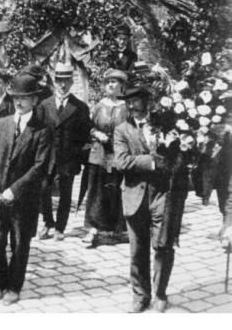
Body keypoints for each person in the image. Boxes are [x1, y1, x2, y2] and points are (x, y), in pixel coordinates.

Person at [114, 86, 188, 313]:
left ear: (147, 102)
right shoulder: (122, 130)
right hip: (134, 196)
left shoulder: (164, 125)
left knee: (163, 246)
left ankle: (161, 292)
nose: (131, 106)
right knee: (137, 250)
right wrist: (152, 161)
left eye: (135, 100)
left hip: (162, 195)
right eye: (128, 101)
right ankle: (140, 295)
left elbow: (178, 157)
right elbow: (121, 162)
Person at [0, 74, 51, 306]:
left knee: (20, 243)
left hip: (24, 198)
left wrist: (14, 189)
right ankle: (0, 282)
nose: (19, 102)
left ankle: (14, 287)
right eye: (16, 97)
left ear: (34, 100)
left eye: (25, 98)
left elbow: (40, 167)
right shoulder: (1, 123)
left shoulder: (42, 130)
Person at [36, 61, 91, 241]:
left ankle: (60, 227)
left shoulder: (80, 107)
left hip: (68, 158)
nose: (62, 84)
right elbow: (38, 132)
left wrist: (78, 156)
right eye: (59, 80)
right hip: (47, 157)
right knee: (43, 189)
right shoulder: (44, 105)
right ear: (54, 80)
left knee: (65, 194)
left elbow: (84, 136)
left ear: (72, 82)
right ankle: (47, 222)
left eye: (66, 80)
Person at [81, 69, 129, 247]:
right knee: (97, 191)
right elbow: (89, 127)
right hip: (99, 154)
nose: (110, 84)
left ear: (121, 86)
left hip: (118, 154)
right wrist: (97, 134)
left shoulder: (125, 107)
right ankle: (93, 229)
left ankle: (118, 229)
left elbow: (130, 130)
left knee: (116, 190)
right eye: (108, 81)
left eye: (115, 82)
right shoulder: (99, 106)